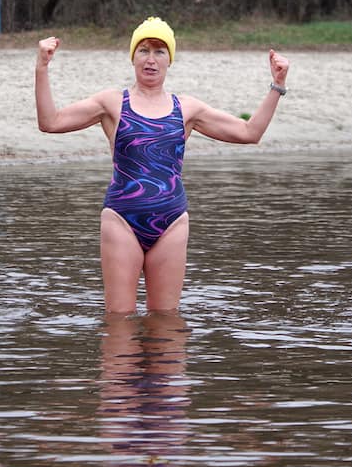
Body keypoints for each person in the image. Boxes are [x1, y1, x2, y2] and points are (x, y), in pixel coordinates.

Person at [35, 17, 290, 315]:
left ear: (170, 59)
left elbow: (249, 133)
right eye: (143, 50)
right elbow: (50, 123)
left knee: (166, 325)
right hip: (121, 220)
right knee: (119, 322)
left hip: (171, 224)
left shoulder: (187, 109)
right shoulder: (112, 103)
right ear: (133, 57)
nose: (151, 59)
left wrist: (277, 85)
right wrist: (42, 68)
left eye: (159, 51)